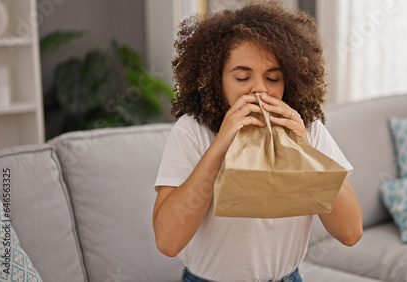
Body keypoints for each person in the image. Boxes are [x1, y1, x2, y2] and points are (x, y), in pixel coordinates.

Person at [152, 2, 363, 281]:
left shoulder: (308, 129)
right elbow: (168, 241)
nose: (260, 89)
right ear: (216, 79)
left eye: (273, 78)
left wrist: (304, 151)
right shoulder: (193, 131)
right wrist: (221, 145)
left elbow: (350, 233)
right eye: (242, 77)